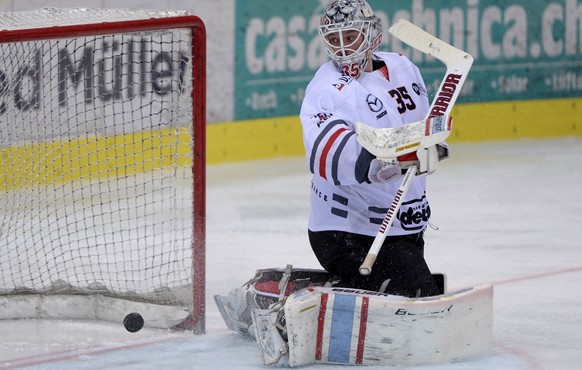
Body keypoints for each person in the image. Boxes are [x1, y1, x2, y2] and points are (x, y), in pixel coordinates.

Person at [300, 0, 447, 298]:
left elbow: (418, 126)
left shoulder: (404, 67)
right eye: (333, 39)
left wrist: (433, 143)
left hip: (402, 225)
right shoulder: (327, 87)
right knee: (421, 307)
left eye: (350, 36)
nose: (342, 48)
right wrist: (384, 160)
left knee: (411, 298)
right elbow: (325, 152)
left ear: (372, 33)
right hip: (349, 233)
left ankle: (345, 293)